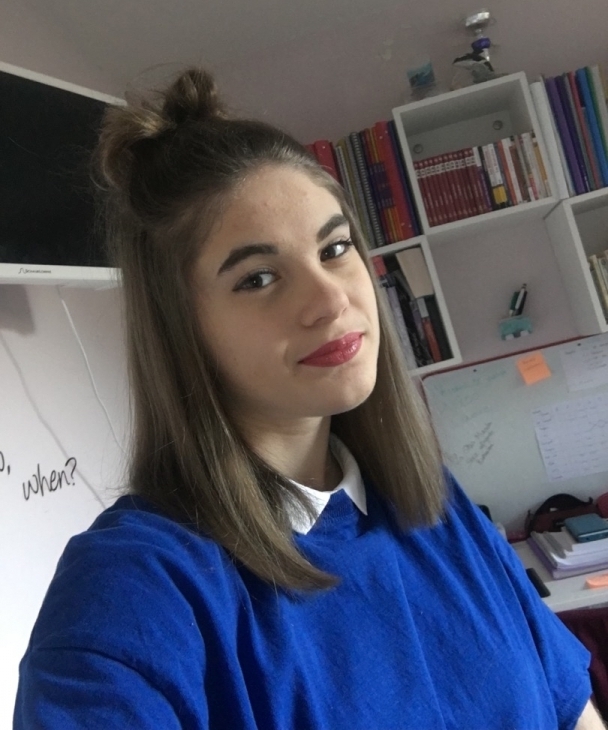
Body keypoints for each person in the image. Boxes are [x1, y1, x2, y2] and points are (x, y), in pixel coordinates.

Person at [14, 68, 603, 729]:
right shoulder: (134, 587)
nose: (330, 299)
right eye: (258, 278)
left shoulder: (434, 502)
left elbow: (569, 708)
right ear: (182, 330)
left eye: (335, 248)